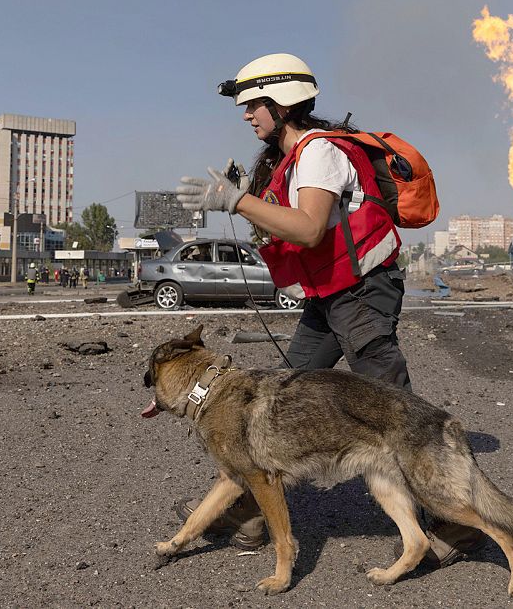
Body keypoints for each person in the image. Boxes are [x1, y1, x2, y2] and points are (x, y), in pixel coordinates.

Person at [175, 53, 485, 565]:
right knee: (276, 402)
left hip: (360, 292)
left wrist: (236, 203)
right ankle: (249, 512)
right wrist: (247, 195)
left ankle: (459, 522)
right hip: (330, 296)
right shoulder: (291, 158)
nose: (247, 114)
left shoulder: (319, 153)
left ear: (283, 102)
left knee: (396, 411)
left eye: (254, 104)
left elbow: (309, 228)